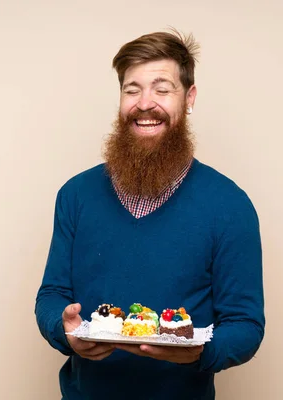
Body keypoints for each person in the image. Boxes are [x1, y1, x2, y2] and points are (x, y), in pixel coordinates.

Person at [35, 28, 265, 399]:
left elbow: (246, 325)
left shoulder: (229, 205)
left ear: (188, 98)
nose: (145, 104)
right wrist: (65, 332)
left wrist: (199, 353)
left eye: (162, 88)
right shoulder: (75, 195)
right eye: (132, 89)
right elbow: (52, 294)